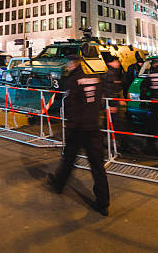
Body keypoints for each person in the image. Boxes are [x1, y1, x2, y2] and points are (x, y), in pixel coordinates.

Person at [47, 54, 110, 216]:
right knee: (97, 166)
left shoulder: (72, 81)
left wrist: (69, 125)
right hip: (94, 127)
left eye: (68, 63)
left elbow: (70, 105)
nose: (67, 66)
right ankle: (103, 203)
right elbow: (100, 101)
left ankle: (59, 184)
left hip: (77, 128)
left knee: (68, 158)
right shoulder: (95, 78)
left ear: (72, 64)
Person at [103, 54, 129, 153]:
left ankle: (103, 142)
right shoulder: (110, 74)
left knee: (110, 124)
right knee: (119, 125)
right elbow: (110, 90)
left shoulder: (114, 73)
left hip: (114, 103)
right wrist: (112, 104)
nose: (118, 63)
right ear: (110, 63)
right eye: (116, 61)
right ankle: (123, 146)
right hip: (113, 104)